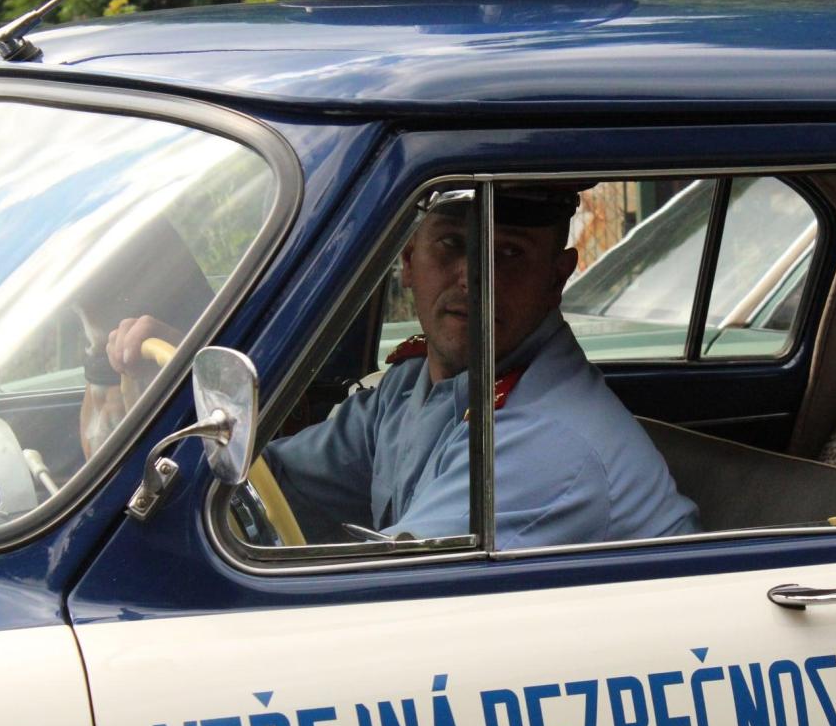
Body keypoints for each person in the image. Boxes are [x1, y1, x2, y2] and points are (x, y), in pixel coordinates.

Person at [108, 185, 699, 548]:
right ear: (410, 262)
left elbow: (378, 591)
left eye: (509, 253)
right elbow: (274, 482)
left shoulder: (545, 440)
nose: (474, 276)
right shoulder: (415, 387)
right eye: (452, 245)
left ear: (557, 276)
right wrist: (183, 392)